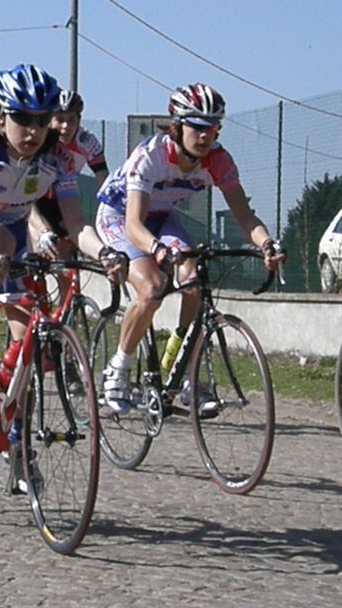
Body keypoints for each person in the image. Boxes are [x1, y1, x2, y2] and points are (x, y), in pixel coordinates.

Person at [0, 63, 127, 399]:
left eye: (42, 120)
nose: (33, 130)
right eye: (22, 118)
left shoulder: (59, 159)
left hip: (12, 225)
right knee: (0, 242)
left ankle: (10, 427)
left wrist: (106, 253)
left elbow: (76, 225)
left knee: (26, 341)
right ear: (1, 117)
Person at [95, 83, 287, 415]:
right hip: (122, 218)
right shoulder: (151, 155)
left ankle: (183, 371)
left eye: (212, 128)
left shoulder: (219, 160)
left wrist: (267, 243)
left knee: (193, 278)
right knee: (153, 286)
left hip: (162, 217)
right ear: (178, 125)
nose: (205, 136)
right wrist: (157, 251)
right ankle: (119, 367)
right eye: (197, 127)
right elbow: (133, 226)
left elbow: (244, 216)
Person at [29, 89, 109, 290]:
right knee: (38, 253)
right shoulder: (38, 142)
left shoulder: (87, 142)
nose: (66, 127)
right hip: (32, 199)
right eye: (60, 119)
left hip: (61, 197)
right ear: (49, 120)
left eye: (72, 120)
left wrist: (109, 213)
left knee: (66, 262)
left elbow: (103, 180)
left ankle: (67, 315)